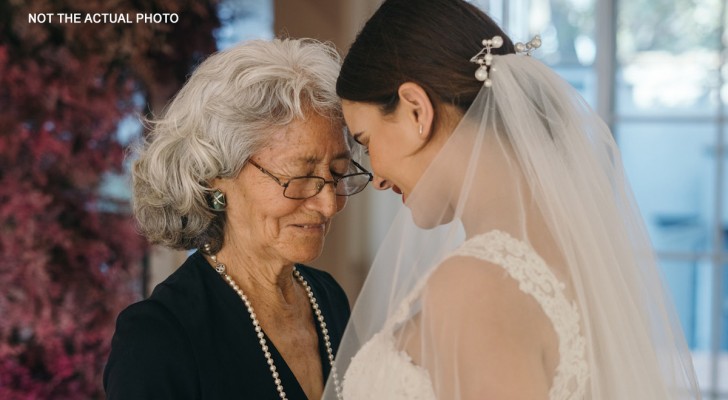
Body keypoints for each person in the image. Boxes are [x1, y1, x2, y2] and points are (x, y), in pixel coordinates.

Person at [323, 0, 702, 399]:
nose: (377, 177)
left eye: (365, 142)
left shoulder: (475, 284)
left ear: (417, 111)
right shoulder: (579, 260)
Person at [103, 38, 372, 400]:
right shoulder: (159, 336)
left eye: (337, 174)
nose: (328, 204)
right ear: (216, 176)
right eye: (299, 177)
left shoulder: (328, 298)